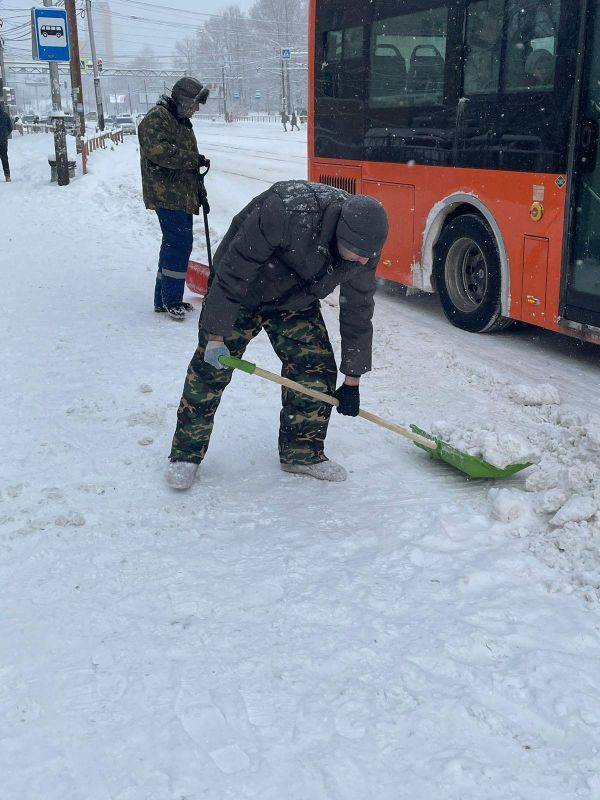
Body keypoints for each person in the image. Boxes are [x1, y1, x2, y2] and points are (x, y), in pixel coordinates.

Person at [166, 180, 389, 490]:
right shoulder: (288, 209)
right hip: (243, 289)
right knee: (210, 370)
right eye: (358, 255)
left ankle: (302, 453)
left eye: (368, 256)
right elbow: (232, 271)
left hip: (293, 299)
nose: (364, 262)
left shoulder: (364, 247)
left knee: (314, 367)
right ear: (340, 233)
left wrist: (353, 378)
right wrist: (216, 335)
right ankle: (185, 455)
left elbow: (358, 310)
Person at [138, 77, 210, 321]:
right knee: (178, 244)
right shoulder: (157, 118)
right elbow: (159, 152)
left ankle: (163, 299)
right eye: (195, 103)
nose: (196, 109)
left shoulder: (180, 121)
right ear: (182, 99)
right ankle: (171, 300)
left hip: (179, 193)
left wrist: (197, 182)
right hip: (166, 193)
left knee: (173, 244)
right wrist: (193, 159)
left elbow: (184, 157)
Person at [0, 103, 12, 182]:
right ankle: (7, 176)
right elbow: (10, 127)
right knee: (4, 158)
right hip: (3, 140)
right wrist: (5, 134)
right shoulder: (5, 115)